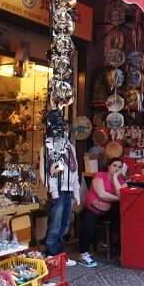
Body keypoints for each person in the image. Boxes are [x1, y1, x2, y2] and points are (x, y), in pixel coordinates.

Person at [39, 112, 80, 267]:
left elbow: (75, 170)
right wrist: (52, 190)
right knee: (55, 223)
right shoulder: (47, 148)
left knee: (64, 224)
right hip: (58, 190)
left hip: (68, 189)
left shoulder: (71, 148)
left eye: (66, 129)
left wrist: (76, 192)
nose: (65, 132)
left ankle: (59, 253)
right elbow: (45, 172)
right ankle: (51, 253)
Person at [78, 157, 125, 268]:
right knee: (88, 224)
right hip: (92, 209)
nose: (116, 169)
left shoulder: (121, 181)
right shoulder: (99, 176)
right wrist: (118, 198)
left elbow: (123, 195)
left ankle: (118, 249)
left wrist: (115, 178)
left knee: (122, 218)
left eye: (119, 167)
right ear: (109, 166)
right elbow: (101, 194)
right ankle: (83, 254)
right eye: (114, 165)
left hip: (107, 211)